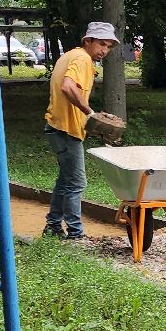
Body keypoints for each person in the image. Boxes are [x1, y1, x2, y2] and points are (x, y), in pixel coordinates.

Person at [42, 21, 118, 239]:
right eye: (101, 44)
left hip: (59, 126)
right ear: (88, 41)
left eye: (109, 47)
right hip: (65, 130)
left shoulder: (71, 56)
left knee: (65, 180)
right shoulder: (83, 59)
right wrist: (90, 113)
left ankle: (53, 226)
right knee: (77, 183)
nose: (104, 50)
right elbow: (68, 87)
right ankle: (76, 234)